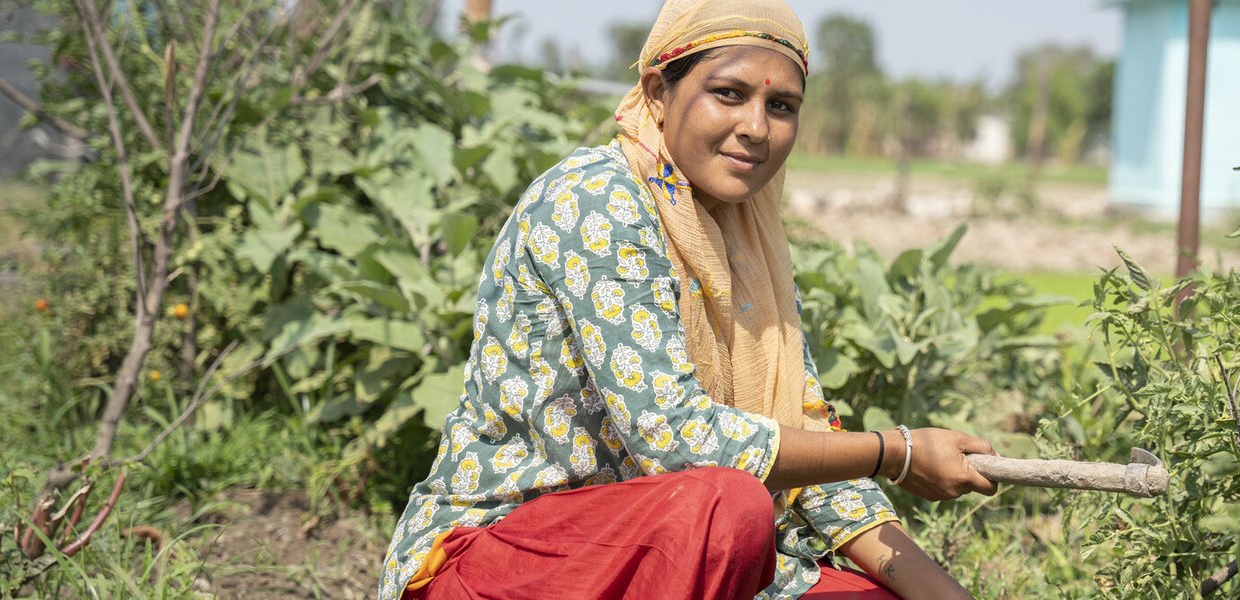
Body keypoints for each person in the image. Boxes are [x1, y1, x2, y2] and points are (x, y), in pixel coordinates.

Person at [376, 1, 999, 598]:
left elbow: (812, 445)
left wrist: (942, 592)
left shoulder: (750, 241)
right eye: (729, 93)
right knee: (727, 504)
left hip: (679, 553)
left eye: (781, 105)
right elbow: (676, 438)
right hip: (510, 558)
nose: (756, 128)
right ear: (657, 92)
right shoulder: (595, 198)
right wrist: (896, 452)